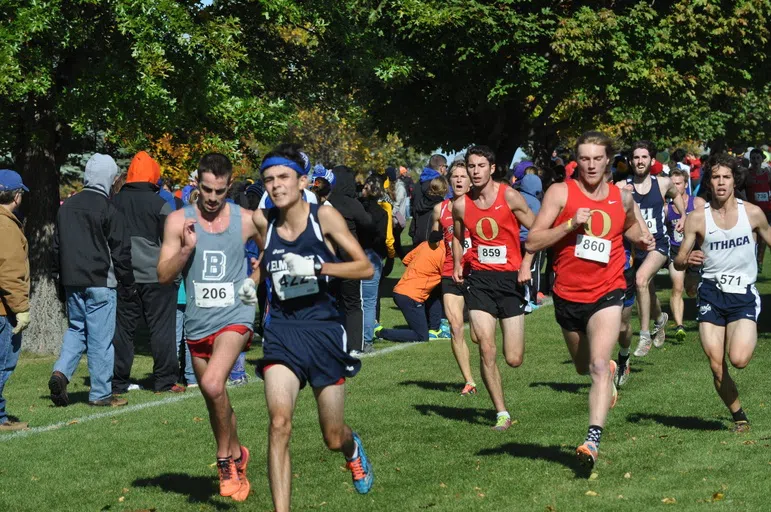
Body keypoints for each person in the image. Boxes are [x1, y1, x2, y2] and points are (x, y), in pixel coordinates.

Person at [240, 144, 374, 512]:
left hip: (324, 332)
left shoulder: (324, 217)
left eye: (283, 178)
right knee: (279, 422)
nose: (276, 186)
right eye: (269, 180)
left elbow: (364, 267)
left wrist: (318, 269)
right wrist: (252, 280)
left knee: (331, 436)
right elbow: (267, 257)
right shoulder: (263, 220)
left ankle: (351, 447)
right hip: (282, 331)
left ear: (301, 181)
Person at [527, 131, 653, 469]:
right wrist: (569, 223)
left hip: (608, 290)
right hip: (568, 294)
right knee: (584, 366)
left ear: (608, 160)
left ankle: (591, 440)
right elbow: (533, 241)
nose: (591, 164)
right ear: (576, 160)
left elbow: (625, 228)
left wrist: (640, 240)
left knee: (598, 366)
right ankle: (607, 370)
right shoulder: (559, 192)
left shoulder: (621, 197)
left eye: (598, 158)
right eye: (585, 158)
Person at [157, 153, 257, 502]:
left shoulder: (245, 220)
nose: (212, 198)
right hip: (198, 321)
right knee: (215, 398)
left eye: (219, 190)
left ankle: (224, 461)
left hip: (236, 316)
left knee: (214, 383)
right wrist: (186, 251)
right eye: (206, 190)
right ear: (196, 184)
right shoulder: (177, 221)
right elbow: (163, 275)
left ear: (229, 185)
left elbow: (274, 249)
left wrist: (253, 281)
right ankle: (238, 454)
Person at [674, 153, 771, 433]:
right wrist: (688, 259)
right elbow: (679, 260)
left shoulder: (752, 213)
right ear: (709, 181)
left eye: (726, 177)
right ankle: (739, 415)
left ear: (734, 180)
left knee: (738, 359)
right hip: (711, 295)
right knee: (716, 365)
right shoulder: (697, 218)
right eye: (715, 177)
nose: (720, 182)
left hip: (742, 295)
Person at [452, 145, 535, 431]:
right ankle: (501, 413)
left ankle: (502, 404)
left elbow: (535, 231)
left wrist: (527, 263)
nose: (475, 172)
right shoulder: (461, 204)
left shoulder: (509, 196)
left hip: (510, 280)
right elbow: (457, 235)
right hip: (480, 281)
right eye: (471, 167)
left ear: (492, 168)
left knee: (513, 358)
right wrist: (458, 261)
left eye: (480, 166)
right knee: (486, 348)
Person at [49, 154, 134, 408]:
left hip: (72, 280)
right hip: (100, 282)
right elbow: (121, 251)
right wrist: (128, 283)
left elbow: (56, 248)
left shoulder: (66, 208)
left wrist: (59, 281)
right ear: (109, 177)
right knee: (100, 339)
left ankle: (60, 372)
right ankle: (100, 393)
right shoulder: (108, 208)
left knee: (76, 329)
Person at [112, 151, 183, 395]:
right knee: (162, 330)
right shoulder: (160, 204)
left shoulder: (114, 202)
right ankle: (164, 381)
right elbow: (173, 241)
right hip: (157, 276)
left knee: (122, 331)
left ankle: (118, 382)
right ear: (154, 177)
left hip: (123, 276)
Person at [617, 141, 686, 356]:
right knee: (648, 289)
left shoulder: (663, 183)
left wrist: (682, 215)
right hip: (634, 246)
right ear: (630, 161)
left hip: (658, 244)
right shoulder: (621, 186)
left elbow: (676, 195)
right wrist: (620, 196)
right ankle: (659, 318)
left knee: (640, 280)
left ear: (651, 160)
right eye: (636, 157)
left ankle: (645, 335)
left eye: (644, 157)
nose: (640, 161)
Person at [432, 161, 478, 395]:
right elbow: (432, 234)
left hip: (477, 272)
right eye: (455, 176)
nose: (459, 180)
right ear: (449, 181)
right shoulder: (440, 209)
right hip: (450, 271)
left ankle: (486, 367)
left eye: (463, 176)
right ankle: (469, 381)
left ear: (471, 180)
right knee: (456, 328)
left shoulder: (478, 206)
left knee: (478, 334)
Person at [327, 165, 372, 354]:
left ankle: (333, 343)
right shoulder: (352, 203)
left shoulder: (325, 203)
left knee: (332, 301)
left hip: (329, 260)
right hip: (350, 260)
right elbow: (368, 223)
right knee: (353, 303)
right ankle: (355, 345)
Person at [0, 170, 31, 430]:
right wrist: (20, 308)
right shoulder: (5, 224)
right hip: (2, 310)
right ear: (16, 196)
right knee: (2, 364)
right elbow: (9, 271)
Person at [375, 230, 445, 342]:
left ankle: (434, 329)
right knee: (422, 336)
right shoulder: (443, 252)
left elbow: (406, 260)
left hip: (401, 290)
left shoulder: (425, 244)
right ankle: (380, 332)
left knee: (433, 294)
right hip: (411, 297)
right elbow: (447, 276)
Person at [667, 168, 705, 340]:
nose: (675, 186)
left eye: (679, 183)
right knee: (677, 287)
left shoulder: (697, 203)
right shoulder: (666, 208)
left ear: (685, 184)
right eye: (672, 183)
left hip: (695, 251)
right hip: (675, 252)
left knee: (691, 290)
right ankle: (679, 326)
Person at [359, 174, 389, 353]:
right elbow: (382, 239)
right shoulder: (382, 213)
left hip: (358, 255)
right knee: (369, 302)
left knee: (354, 300)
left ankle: (353, 337)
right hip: (373, 256)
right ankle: (366, 340)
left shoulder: (358, 209)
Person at [411, 154, 448, 244]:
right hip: (434, 234)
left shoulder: (418, 184)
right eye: (446, 166)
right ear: (442, 167)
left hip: (417, 232)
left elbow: (414, 207)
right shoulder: (441, 185)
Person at [518, 174, 543, 307]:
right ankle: (533, 296)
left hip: (516, 240)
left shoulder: (516, 197)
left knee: (518, 268)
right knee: (533, 269)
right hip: (530, 239)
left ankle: (520, 294)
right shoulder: (535, 202)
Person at [745, 148, 771, 271]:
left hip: (766, 209)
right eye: (753, 158)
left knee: (764, 237)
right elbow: (738, 189)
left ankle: (759, 260)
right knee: (752, 235)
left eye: (758, 158)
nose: (755, 161)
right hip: (751, 210)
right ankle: (751, 259)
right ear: (750, 159)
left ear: (762, 159)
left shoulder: (768, 174)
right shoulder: (746, 174)